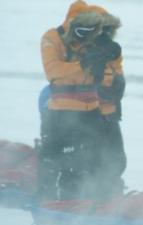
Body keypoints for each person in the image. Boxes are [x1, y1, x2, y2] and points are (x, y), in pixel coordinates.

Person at [37, 0, 113, 201]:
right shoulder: (51, 38)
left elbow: (107, 77)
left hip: (92, 111)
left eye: (90, 28)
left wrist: (105, 66)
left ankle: (96, 204)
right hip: (61, 111)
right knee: (64, 164)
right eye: (83, 27)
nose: (87, 32)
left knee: (98, 162)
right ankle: (55, 206)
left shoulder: (92, 39)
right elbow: (52, 71)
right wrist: (83, 64)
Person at [86, 4, 127, 201]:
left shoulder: (113, 52)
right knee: (95, 159)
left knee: (118, 160)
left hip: (111, 113)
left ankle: (111, 194)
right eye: (105, 30)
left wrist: (118, 88)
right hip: (90, 114)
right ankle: (95, 197)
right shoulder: (85, 51)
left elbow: (118, 76)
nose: (109, 35)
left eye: (111, 31)